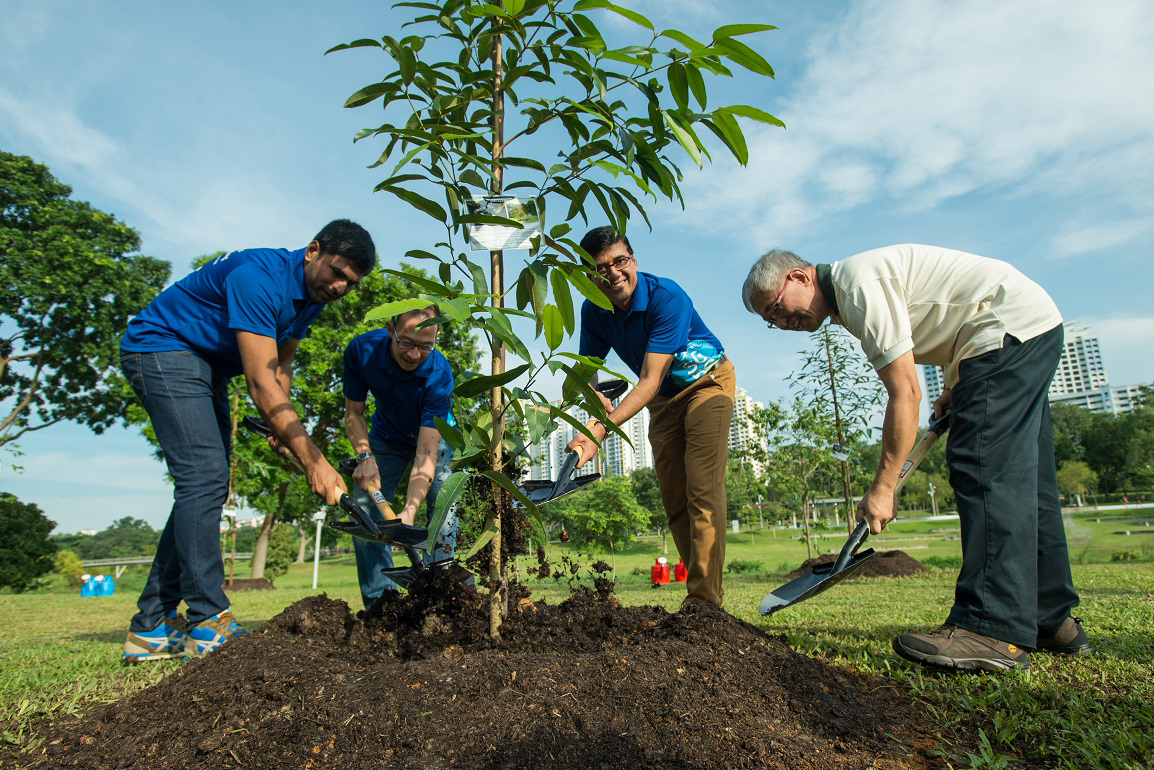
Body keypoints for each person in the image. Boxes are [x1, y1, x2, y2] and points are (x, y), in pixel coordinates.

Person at [741, 243, 1089, 672]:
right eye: (770, 322)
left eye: (776, 308)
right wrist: (955, 385)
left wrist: (883, 487)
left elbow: (904, 392)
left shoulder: (857, 285)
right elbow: (953, 316)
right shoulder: (855, 291)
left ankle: (992, 628)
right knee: (1028, 481)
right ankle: (1051, 618)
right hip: (1022, 329)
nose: (781, 322)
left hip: (1004, 331)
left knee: (984, 470)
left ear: (799, 277)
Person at [119, 219, 375, 662]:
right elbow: (259, 384)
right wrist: (313, 460)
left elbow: (280, 370)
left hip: (206, 369)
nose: (340, 288)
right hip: (162, 349)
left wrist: (285, 433)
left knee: (204, 485)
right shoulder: (258, 278)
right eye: (337, 273)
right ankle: (207, 619)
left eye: (350, 284)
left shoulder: (310, 298)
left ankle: (151, 627)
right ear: (312, 250)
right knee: (204, 477)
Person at [567, 226, 735, 608]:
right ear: (588, 277)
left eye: (619, 261)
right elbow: (585, 369)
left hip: (707, 385)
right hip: (663, 401)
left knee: (702, 490)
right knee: (674, 497)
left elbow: (647, 379)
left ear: (634, 261)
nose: (612, 273)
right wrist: (591, 400)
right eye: (599, 268)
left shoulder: (667, 297)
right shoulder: (594, 309)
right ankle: (703, 594)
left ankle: (704, 603)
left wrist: (598, 432)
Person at [343, 304, 459, 609]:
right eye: (406, 342)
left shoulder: (439, 372)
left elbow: (425, 453)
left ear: (436, 339)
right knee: (364, 510)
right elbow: (353, 413)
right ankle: (382, 604)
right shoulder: (361, 351)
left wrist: (408, 513)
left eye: (425, 346)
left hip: (436, 440)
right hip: (387, 437)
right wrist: (363, 455)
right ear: (390, 330)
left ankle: (440, 598)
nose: (413, 354)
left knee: (444, 507)